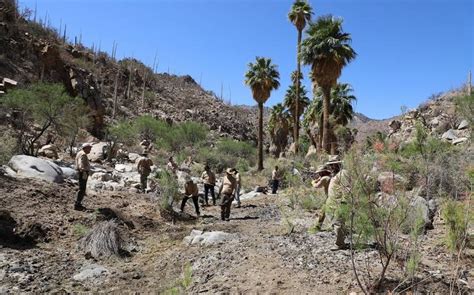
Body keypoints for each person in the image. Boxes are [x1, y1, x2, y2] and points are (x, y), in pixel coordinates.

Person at [324, 155, 349, 250]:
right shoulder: (335, 175)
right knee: (335, 223)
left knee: (339, 223)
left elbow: (346, 188)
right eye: (331, 165)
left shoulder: (343, 173)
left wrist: (344, 201)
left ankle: (340, 244)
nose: (332, 167)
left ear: (338, 165)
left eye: (333, 165)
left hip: (340, 203)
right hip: (333, 203)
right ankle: (340, 241)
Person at [311, 165, 332, 230]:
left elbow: (316, 186)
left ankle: (318, 226)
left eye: (320, 172)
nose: (319, 174)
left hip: (330, 197)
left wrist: (313, 182)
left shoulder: (324, 178)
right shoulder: (329, 177)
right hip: (333, 196)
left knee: (323, 212)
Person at [75, 143, 92, 210]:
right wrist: (84, 170)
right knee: (82, 189)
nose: (90, 150)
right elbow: (80, 164)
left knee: (81, 188)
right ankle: (77, 204)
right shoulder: (83, 154)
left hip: (81, 172)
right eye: (89, 148)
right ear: (86, 148)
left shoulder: (80, 153)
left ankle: (78, 203)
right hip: (83, 173)